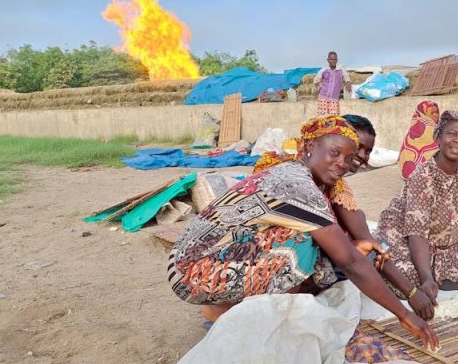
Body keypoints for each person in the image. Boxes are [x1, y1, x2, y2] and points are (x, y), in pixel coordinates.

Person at [168, 116, 438, 349]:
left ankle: (226, 309)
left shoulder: (303, 175)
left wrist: (353, 251)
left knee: (324, 250)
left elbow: (353, 251)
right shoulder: (295, 184)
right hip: (190, 271)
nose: (343, 164)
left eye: (349, 158)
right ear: (310, 147)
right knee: (302, 244)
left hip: (202, 259)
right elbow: (350, 262)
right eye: (334, 153)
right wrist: (404, 314)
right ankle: (263, 329)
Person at [374, 110, 458, 314]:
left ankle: (430, 268)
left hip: (438, 242)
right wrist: (426, 278)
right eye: (451, 134)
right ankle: (388, 260)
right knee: (409, 282)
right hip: (402, 233)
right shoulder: (423, 176)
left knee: (452, 280)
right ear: (438, 138)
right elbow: (416, 232)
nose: (457, 141)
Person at [396, 100, 440, 180]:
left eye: (436, 112)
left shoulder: (415, 123)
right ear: (423, 114)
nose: (435, 115)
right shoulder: (427, 128)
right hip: (422, 172)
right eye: (431, 113)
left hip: (409, 170)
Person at [313, 51, 351, 117]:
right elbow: (316, 80)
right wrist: (319, 87)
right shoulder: (324, 70)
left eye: (334, 59)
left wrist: (348, 82)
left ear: (337, 60)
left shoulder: (340, 70)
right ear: (328, 60)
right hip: (323, 99)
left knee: (333, 119)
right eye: (331, 59)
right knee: (322, 119)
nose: (333, 61)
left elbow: (346, 77)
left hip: (334, 99)